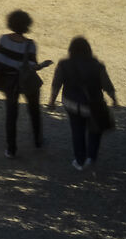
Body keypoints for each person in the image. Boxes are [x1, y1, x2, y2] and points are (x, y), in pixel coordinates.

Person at [0, 10, 47, 157]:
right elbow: (32, 66)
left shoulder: (3, 40)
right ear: (27, 25)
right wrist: (43, 65)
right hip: (26, 81)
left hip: (9, 82)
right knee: (34, 110)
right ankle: (38, 140)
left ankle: (11, 149)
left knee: (11, 114)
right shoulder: (30, 45)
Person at [49, 37, 117, 171]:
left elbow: (56, 84)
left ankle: (80, 161)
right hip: (93, 105)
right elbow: (107, 85)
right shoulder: (97, 65)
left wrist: (52, 101)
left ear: (71, 49)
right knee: (95, 130)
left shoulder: (64, 64)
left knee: (77, 130)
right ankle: (91, 156)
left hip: (71, 103)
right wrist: (114, 99)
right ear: (88, 50)